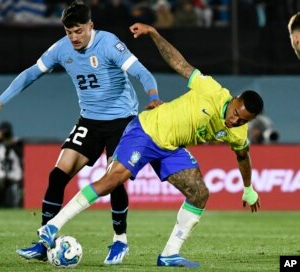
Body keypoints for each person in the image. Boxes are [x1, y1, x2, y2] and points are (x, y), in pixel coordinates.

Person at [36, 22, 264, 268]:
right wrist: (155, 34)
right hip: (146, 130)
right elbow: (179, 63)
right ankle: (52, 227)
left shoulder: (239, 131)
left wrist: (248, 188)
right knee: (113, 180)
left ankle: (169, 254)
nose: (235, 120)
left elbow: (243, 155)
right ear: (235, 99)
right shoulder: (212, 90)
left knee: (199, 193)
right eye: (235, 113)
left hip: (170, 147)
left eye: (243, 120)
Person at [0, 1, 161, 265]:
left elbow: (142, 73)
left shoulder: (109, 44)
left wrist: (153, 97)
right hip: (89, 122)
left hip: (122, 121)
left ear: (90, 26)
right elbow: (30, 74)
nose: (73, 37)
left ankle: (120, 241)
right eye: (69, 32)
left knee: (115, 180)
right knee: (57, 174)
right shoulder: (61, 49)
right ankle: (44, 241)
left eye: (78, 31)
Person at [0, 121, 23, 208]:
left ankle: (15, 205)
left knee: (15, 189)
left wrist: (12, 143)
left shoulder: (17, 143)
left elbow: (22, 154)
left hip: (14, 174)